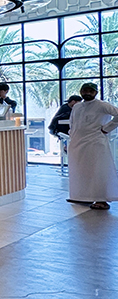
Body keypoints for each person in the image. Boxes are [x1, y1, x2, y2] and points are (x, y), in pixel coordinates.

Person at [67, 82, 118, 210]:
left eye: (91, 91)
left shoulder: (102, 105)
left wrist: (107, 128)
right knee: (80, 171)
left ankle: (101, 200)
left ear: (96, 93)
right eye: (85, 90)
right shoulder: (77, 106)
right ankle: (82, 196)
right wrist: (72, 137)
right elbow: (73, 124)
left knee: (98, 171)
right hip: (78, 143)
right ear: (81, 92)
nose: (88, 93)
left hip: (96, 142)